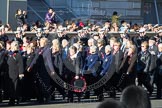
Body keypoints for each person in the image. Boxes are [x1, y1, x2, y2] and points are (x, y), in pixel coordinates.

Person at [7, 41, 24, 105]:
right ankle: (13, 98)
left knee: (15, 86)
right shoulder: (10, 53)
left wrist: (21, 73)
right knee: (11, 87)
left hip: (15, 73)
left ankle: (13, 99)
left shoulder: (18, 54)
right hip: (9, 72)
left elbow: (20, 64)